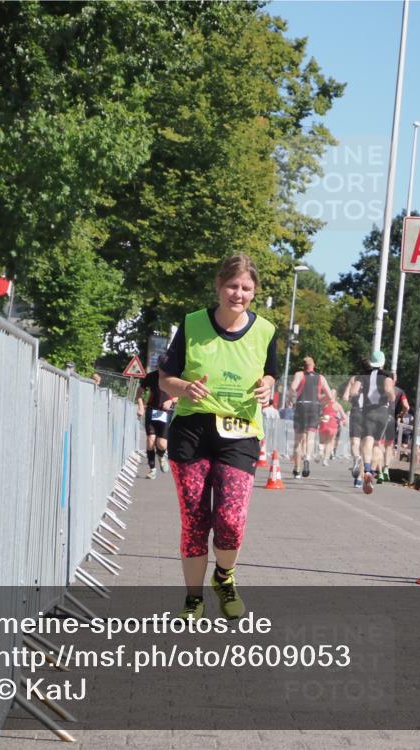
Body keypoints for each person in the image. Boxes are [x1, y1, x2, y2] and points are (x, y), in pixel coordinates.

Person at [160, 254, 278, 620]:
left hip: (240, 433)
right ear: (218, 286)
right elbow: (164, 378)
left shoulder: (266, 331)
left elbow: (271, 375)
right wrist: (184, 387)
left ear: (254, 292)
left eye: (245, 288)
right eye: (232, 286)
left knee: (230, 519)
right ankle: (193, 599)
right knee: (195, 519)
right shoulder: (192, 323)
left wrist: (267, 388)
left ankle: (224, 577)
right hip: (192, 431)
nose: (238, 294)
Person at [355, 351, 395, 493]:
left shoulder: (363, 375)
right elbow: (388, 389)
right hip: (382, 411)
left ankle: (366, 469)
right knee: (378, 444)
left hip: (368, 411)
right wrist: (391, 397)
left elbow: (354, 391)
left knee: (367, 441)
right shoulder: (387, 375)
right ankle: (371, 472)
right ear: (383, 362)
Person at [289, 356, 330, 478]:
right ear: (314, 365)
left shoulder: (299, 375)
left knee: (298, 440)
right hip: (314, 407)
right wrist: (320, 402)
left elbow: (292, 388)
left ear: (303, 366)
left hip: (301, 406)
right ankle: (307, 458)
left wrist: (292, 400)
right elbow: (329, 395)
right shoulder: (321, 378)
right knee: (310, 436)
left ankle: (297, 469)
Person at [137, 369, 177, 479]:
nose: (162, 370)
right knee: (150, 441)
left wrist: (171, 400)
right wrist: (141, 407)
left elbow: (181, 393)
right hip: (152, 410)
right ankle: (152, 470)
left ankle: (161, 455)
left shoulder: (174, 375)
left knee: (162, 444)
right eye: (161, 367)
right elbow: (139, 391)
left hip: (166, 412)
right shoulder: (151, 376)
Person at [380, 376, 409, 483]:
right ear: (395, 381)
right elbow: (406, 406)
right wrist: (401, 414)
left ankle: (379, 469)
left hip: (379, 418)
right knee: (389, 445)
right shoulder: (400, 392)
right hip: (392, 419)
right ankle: (386, 469)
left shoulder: (380, 389)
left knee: (378, 444)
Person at [342, 375, 364, 477]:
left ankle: (356, 457)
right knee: (366, 446)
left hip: (357, 412)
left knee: (355, 442)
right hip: (371, 413)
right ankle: (360, 478)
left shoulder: (354, 379)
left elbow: (345, 397)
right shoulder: (378, 378)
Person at [317, 388, 345, 465]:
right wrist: (341, 422)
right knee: (329, 442)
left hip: (325, 420)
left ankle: (320, 452)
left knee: (322, 441)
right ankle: (325, 459)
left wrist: (319, 420)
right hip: (333, 423)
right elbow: (344, 416)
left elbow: (319, 413)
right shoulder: (337, 405)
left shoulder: (324, 403)